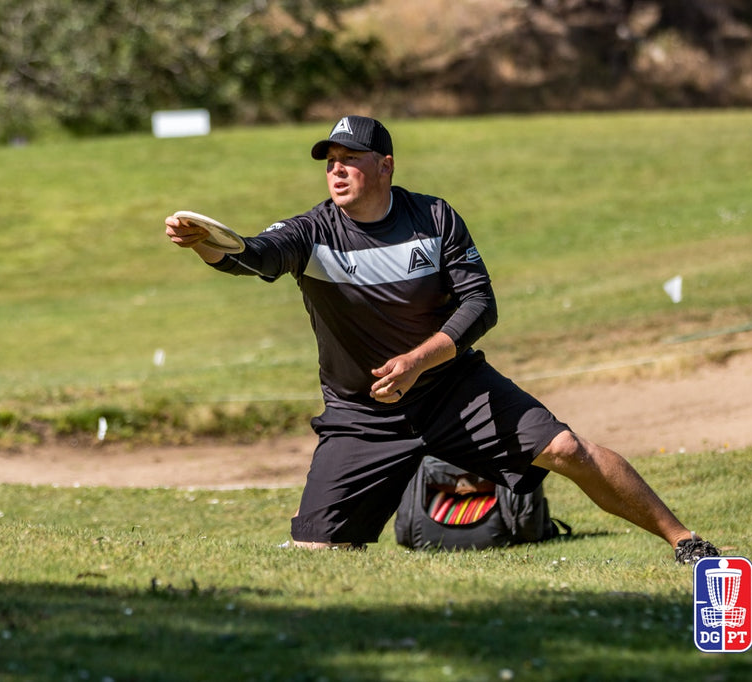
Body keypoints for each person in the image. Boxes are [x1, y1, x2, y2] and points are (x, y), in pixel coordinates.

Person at [164, 115, 719, 564]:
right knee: (317, 553)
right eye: (330, 164)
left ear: (384, 166)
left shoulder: (433, 217)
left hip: (456, 390)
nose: (336, 173)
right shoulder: (312, 231)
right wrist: (205, 244)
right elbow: (252, 255)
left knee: (566, 448)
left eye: (350, 161)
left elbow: (481, 304)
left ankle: (687, 542)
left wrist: (416, 361)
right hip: (364, 414)